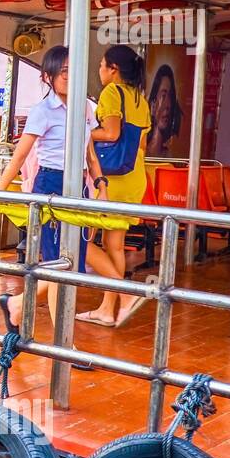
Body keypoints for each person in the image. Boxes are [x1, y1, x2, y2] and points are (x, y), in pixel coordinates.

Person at [0, 46, 123, 338]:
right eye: (64, 72)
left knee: (71, 267)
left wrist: (101, 185)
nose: (70, 77)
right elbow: (19, 158)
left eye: (74, 71)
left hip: (79, 187)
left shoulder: (85, 107)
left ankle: (17, 304)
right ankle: (63, 342)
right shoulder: (42, 111)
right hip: (50, 186)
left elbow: (89, 153)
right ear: (48, 77)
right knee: (58, 267)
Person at [79, 45, 153, 327]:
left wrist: (82, 131)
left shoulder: (112, 93)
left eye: (101, 65)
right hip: (134, 175)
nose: (99, 71)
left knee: (83, 239)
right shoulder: (140, 99)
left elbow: (111, 132)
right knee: (115, 245)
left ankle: (124, 297)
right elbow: (142, 144)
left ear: (114, 69)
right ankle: (108, 309)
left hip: (110, 178)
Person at [145, 63, 183, 156]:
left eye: (170, 96)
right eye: (163, 96)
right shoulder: (140, 154)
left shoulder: (170, 156)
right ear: (153, 105)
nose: (168, 105)